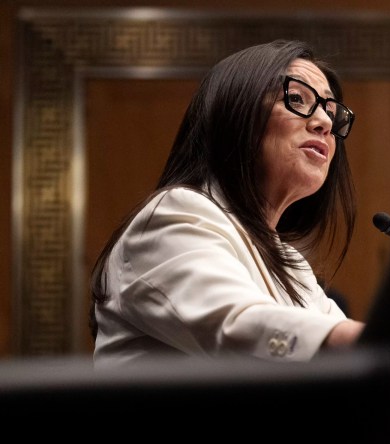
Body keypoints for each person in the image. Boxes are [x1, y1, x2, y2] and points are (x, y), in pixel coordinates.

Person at [89, 39, 365, 367]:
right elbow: (238, 326)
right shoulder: (172, 216)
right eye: (296, 99)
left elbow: (348, 352)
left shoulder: (290, 263)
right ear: (236, 115)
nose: (325, 123)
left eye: (331, 113)